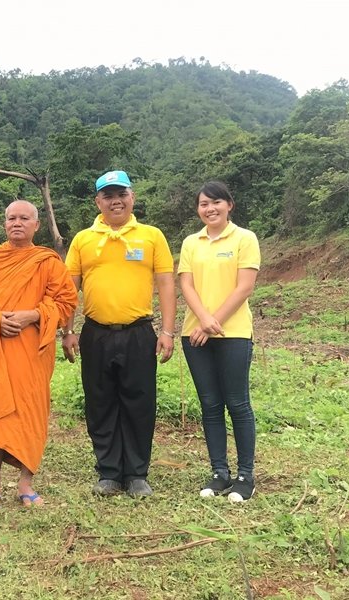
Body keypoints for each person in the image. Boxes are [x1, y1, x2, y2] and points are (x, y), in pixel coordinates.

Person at [62, 170, 176, 498]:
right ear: (98, 201)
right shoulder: (83, 239)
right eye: (108, 195)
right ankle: (109, 472)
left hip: (139, 332)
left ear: (132, 197)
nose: (116, 201)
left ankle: (137, 473)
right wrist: (67, 330)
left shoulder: (152, 236)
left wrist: (167, 331)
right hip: (95, 333)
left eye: (121, 194)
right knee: (100, 403)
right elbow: (70, 287)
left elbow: (166, 283)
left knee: (140, 402)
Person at [0, 200, 78, 510]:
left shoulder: (48, 262)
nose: (16, 223)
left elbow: (66, 303)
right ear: (5, 224)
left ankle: (26, 484)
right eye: (11, 218)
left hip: (32, 350)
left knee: (31, 412)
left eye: (23, 218)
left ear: (36, 225)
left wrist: (32, 315)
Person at [178, 181, 260, 503]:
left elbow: (244, 288)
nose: (209, 209)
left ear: (229, 205)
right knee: (210, 404)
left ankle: (245, 476)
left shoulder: (245, 239)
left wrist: (213, 324)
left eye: (215, 203)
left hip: (234, 334)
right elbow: (187, 285)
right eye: (203, 204)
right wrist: (203, 321)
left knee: (237, 403)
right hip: (195, 334)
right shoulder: (190, 243)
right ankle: (219, 473)